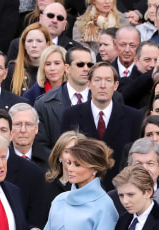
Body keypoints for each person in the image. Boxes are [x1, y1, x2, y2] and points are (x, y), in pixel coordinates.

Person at [60, 61, 143, 190]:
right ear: (88, 84)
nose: (103, 85)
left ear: (116, 85)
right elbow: (65, 155)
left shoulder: (134, 117)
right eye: (97, 80)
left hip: (120, 192)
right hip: (81, 190)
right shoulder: (71, 115)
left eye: (108, 80)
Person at [33, 46, 93, 151]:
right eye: (80, 64)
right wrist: (62, 164)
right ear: (67, 68)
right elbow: (40, 146)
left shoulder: (107, 99)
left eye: (89, 64)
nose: (86, 68)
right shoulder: (43, 103)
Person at [43, 130, 85, 215]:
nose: (72, 156)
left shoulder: (90, 186)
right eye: (67, 152)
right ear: (59, 155)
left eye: (77, 152)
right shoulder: (45, 186)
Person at [6, 22, 52, 96]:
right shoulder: (12, 68)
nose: (34, 45)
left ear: (47, 44)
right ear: (24, 44)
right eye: (29, 41)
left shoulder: (54, 69)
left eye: (39, 41)